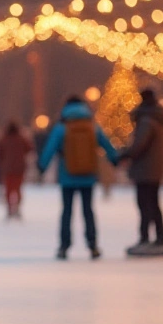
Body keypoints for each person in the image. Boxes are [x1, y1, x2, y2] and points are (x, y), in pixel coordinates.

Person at [37, 96, 119, 260]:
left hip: (67, 175)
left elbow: (51, 147)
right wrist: (115, 158)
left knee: (67, 211)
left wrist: (42, 166)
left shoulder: (62, 128)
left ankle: (64, 246)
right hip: (88, 175)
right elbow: (106, 144)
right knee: (88, 211)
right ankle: (93, 245)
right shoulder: (92, 126)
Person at [117, 88, 163, 257]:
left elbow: (139, 145)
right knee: (153, 204)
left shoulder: (147, 121)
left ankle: (146, 239)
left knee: (145, 205)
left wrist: (125, 154)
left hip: (145, 170)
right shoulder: (158, 119)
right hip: (154, 169)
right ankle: (158, 239)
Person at [0, 119, 33, 219]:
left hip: (7, 169)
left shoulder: (4, 139)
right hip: (19, 169)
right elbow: (29, 148)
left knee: (8, 190)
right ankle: (17, 207)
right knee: (18, 189)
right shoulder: (21, 138)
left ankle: (9, 208)